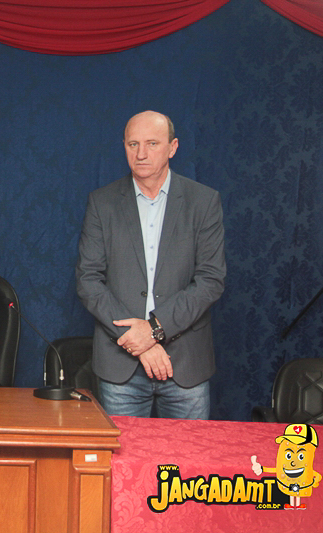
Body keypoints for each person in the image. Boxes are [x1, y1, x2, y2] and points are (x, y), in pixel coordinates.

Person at [75, 111, 226, 419]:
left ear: (173, 147)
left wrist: (154, 330)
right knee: (123, 452)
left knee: (189, 452)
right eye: (133, 144)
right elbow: (88, 280)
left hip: (186, 364)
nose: (141, 154)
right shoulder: (102, 202)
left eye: (152, 143)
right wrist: (140, 342)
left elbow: (210, 281)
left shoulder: (203, 201)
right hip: (121, 364)